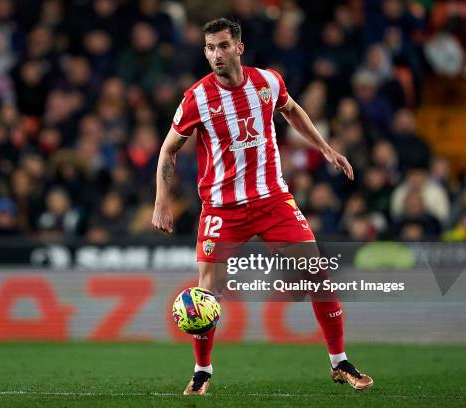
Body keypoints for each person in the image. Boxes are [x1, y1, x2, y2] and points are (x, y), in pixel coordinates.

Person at [152, 18, 373, 395]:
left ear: (239, 47)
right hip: (222, 209)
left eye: (222, 46)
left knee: (316, 274)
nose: (215, 54)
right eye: (209, 48)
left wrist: (326, 148)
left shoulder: (268, 81)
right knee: (208, 294)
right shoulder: (196, 98)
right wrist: (161, 201)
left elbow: (293, 110)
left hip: (273, 200)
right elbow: (168, 149)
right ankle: (202, 371)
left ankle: (340, 363)